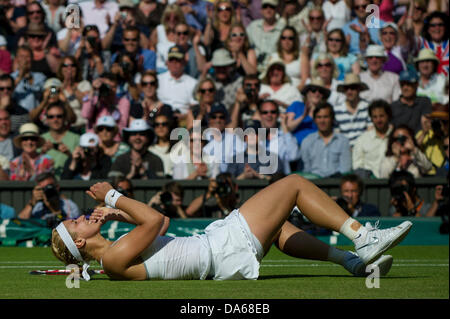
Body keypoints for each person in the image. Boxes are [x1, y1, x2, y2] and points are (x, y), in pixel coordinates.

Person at [50, 173, 411, 281]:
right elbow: (157, 218)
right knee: (294, 185)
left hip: (219, 251)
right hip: (221, 248)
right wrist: (112, 195)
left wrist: (117, 214)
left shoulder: (117, 255)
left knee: (279, 225)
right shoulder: (113, 260)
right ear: (80, 241)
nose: (83, 215)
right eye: (76, 221)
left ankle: (351, 261)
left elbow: (164, 226)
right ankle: (364, 237)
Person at [298, 102, 352, 178]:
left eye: (326, 117)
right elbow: (306, 170)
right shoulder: (307, 141)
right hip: (313, 183)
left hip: (336, 184)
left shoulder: (343, 141)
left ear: (332, 119)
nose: (322, 121)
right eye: (319, 117)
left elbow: (345, 169)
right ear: (315, 120)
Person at [81, 72, 130, 139]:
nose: (110, 90)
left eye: (113, 87)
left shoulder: (123, 102)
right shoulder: (93, 99)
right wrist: (92, 90)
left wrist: (110, 104)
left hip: (112, 141)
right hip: (94, 140)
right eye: (107, 86)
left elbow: (122, 126)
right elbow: (85, 115)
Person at [352, 99, 394, 179]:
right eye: (375, 117)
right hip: (369, 184)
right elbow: (357, 165)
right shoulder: (362, 139)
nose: (378, 120)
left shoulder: (395, 136)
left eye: (381, 116)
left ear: (388, 116)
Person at [38, 101, 81, 179]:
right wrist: (42, 152)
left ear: (64, 118)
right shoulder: (41, 139)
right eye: (51, 117)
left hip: (69, 181)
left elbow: (82, 165)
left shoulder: (75, 138)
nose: (55, 120)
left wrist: (69, 154)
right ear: (46, 119)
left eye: (59, 116)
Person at [259, 99, 299, 175]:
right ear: (260, 115)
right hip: (258, 182)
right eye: (265, 112)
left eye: (273, 112)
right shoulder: (253, 136)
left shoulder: (285, 136)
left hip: (281, 182)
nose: (269, 115)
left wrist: (284, 127)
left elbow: (294, 156)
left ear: (278, 115)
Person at [157, 45, 198, 117]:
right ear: (167, 62)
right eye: (171, 60)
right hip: (162, 118)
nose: (174, 63)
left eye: (177, 60)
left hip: (184, 119)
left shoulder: (193, 83)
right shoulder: (158, 80)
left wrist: (183, 116)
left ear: (184, 62)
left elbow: (194, 107)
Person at [286, 78, 328, 146]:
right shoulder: (296, 105)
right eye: (313, 90)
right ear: (307, 92)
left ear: (323, 96)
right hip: (296, 146)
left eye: (320, 91)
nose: (317, 93)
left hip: (316, 147)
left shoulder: (324, 111)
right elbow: (289, 127)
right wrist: (303, 116)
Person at [391, 68, 433, 133]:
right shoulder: (393, 106)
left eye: (408, 84)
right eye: (402, 84)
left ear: (416, 85)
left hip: (421, 139)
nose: (405, 88)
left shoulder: (424, 102)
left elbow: (426, 124)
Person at [247, 0, 286, 69]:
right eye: (265, 7)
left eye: (272, 7)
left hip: (274, 68)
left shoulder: (283, 28)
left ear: (277, 9)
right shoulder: (253, 26)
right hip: (254, 67)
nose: (268, 10)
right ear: (261, 10)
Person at [334, 73, 371, 147]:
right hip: (344, 149)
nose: (349, 91)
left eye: (353, 88)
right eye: (346, 88)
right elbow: (337, 135)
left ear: (359, 89)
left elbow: (370, 132)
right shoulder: (336, 109)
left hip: (364, 147)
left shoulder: (367, 107)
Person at [11, 45, 46, 113]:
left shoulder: (40, 77)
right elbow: (7, 94)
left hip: (37, 114)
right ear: (16, 59)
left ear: (32, 59)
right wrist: (20, 76)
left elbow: (51, 90)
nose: (24, 60)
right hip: (18, 115)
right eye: (22, 56)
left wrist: (53, 90)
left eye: (27, 57)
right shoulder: (11, 78)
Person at [148, 113, 178, 178]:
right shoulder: (149, 149)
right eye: (157, 125)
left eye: (164, 124)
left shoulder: (178, 148)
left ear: (169, 126)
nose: (160, 127)